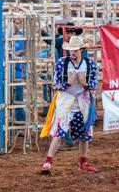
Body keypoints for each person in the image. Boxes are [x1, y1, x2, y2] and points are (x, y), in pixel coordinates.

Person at [40, 36, 99, 174]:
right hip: (66, 99)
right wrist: (68, 83)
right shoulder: (62, 63)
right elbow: (55, 85)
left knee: (85, 132)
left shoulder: (90, 64)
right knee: (59, 131)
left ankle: (83, 161)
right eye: (71, 50)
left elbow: (94, 84)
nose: (72, 53)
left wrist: (85, 84)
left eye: (76, 50)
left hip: (82, 100)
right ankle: (48, 161)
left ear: (81, 50)